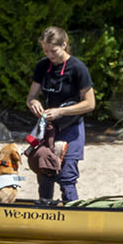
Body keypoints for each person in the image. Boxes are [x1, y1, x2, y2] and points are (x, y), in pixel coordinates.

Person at [24, 26, 98, 205]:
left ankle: (72, 210)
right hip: (49, 129)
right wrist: (34, 103)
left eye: (53, 51)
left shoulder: (78, 68)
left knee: (66, 176)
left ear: (64, 45)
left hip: (71, 128)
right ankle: (45, 208)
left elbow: (90, 104)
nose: (49, 55)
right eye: (45, 51)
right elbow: (31, 97)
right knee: (44, 171)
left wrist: (60, 111)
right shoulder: (43, 66)